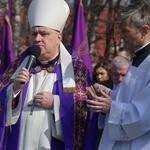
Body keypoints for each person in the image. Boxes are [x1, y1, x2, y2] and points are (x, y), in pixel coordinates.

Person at [0, 0, 98, 150]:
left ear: (59, 38)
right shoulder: (16, 68)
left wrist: (56, 103)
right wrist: (14, 90)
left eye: (44, 33)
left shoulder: (76, 72)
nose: (37, 38)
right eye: (34, 33)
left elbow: (86, 111)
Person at [87, 1, 150, 149]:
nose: (121, 36)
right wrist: (109, 94)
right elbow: (131, 99)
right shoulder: (136, 59)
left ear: (144, 30)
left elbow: (145, 114)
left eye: (125, 31)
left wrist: (112, 107)